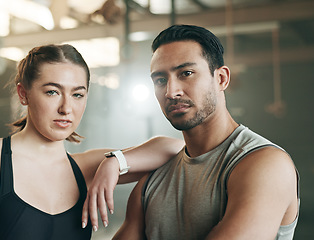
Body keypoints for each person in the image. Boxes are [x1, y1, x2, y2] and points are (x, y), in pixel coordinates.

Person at [0, 44, 184, 240]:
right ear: (23, 94)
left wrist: (114, 163)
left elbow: (173, 148)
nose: (66, 108)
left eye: (77, 94)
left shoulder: (85, 169)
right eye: (52, 92)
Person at [83, 24, 299, 239]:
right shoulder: (152, 179)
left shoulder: (265, 164)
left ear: (221, 79)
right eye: (160, 80)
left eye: (186, 73)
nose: (171, 92)